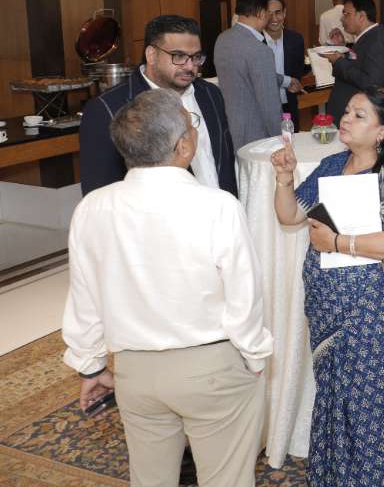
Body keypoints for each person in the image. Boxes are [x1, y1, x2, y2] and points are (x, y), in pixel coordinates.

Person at [63, 89, 272, 487]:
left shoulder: (92, 208)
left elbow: (84, 299)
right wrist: (254, 356)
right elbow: (244, 296)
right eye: (192, 125)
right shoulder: (218, 206)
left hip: (136, 373)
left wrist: (91, 366)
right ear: (183, 146)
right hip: (211, 368)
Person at [270, 89, 384, 486]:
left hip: (375, 315)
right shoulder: (332, 165)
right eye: (347, 111)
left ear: (382, 131)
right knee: (335, 402)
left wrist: (337, 242)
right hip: (328, 312)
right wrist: (284, 179)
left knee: (373, 409)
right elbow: (291, 215)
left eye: (359, 115)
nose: (345, 119)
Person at [80, 15, 237, 197]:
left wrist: (230, 204)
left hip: (221, 209)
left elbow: (225, 163)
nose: (190, 66)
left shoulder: (210, 93)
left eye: (196, 57)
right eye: (179, 56)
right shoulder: (107, 109)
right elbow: (99, 193)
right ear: (152, 55)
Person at [214, 0, 294, 150]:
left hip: (228, 127)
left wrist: (286, 80)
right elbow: (270, 106)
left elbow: (242, 73)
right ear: (261, 13)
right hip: (256, 135)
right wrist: (282, 140)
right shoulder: (260, 50)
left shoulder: (223, 39)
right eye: (268, 13)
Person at [322, 0, 384, 124]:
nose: (342, 19)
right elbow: (359, 65)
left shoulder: (377, 42)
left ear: (361, 16)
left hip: (361, 119)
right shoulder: (368, 38)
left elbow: (371, 83)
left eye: (346, 14)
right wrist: (342, 48)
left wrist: (339, 61)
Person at [266, 0, 308, 121]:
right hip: (263, 107)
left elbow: (298, 71)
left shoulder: (296, 39)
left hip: (289, 104)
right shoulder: (255, 42)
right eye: (269, 14)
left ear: (284, 13)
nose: (274, 18)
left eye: (278, 13)